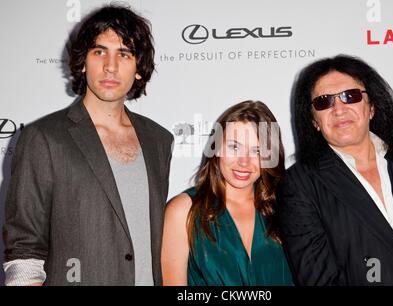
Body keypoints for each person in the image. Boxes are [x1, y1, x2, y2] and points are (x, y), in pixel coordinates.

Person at [2, 5, 173, 286]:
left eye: (124, 53)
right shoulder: (43, 138)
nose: (110, 65)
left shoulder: (159, 140)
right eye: (99, 51)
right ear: (83, 62)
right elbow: (24, 249)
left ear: (138, 68)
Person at [278, 54, 393, 286]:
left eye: (351, 96)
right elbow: (318, 279)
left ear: (371, 107)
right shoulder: (300, 184)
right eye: (324, 101)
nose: (339, 109)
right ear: (314, 121)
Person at [161, 101, 293, 285]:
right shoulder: (182, 211)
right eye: (234, 147)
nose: (244, 162)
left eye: (256, 151)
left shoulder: (287, 206)